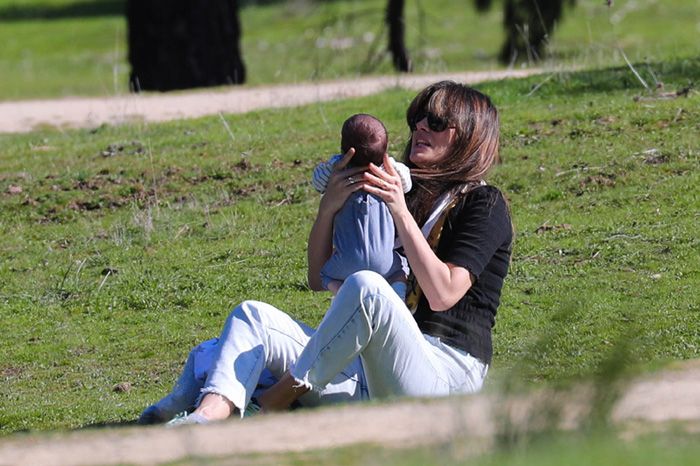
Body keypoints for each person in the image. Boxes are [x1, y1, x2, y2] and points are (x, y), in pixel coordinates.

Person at [138, 80, 513, 425]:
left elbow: (443, 293)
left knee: (368, 286)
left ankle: (271, 402)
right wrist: (329, 207)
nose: (419, 127)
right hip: (369, 372)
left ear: (468, 136)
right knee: (253, 317)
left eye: (436, 120)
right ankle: (205, 420)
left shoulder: (484, 203)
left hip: (443, 379)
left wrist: (399, 210)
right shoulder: (399, 190)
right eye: (416, 118)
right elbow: (319, 276)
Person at [311, 113, 412, 298]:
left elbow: (317, 182)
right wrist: (393, 168)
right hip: (384, 262)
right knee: (402, 268)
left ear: (344, 148)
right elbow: (406, 183)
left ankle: (343, 294)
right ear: (385, 149)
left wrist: (333, 167)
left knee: (323, 274)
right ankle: (398, 293)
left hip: (347, 261)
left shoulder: (338, 169)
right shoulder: (388, 172)